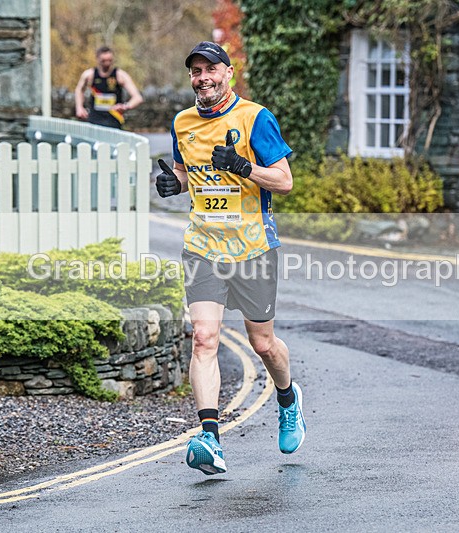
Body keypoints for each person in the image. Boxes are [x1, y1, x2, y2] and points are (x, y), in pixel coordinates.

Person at [155, 41, 305, 475]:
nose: (203, 78)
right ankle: (209, 438)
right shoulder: (182, 122)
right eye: (195, 71)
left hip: (253, 247)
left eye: (210, 69)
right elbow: (186, 172)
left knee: (263, 344)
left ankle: (288, 397)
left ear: (228, 72)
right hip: (203, 246)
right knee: (204, 338)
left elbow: (283, 180)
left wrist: (242, 168)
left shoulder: (255, 117)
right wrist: (175, 184)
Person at [74, 46, 143, 129]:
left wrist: (125, 106)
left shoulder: (120, 75)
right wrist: (79, 107)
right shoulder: (89, 75)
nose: (107, 63)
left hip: (114, 122)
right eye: (103, 61)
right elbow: (79, 90)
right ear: (98, 59)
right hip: (94, 122)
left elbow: (138, 98)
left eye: (109, 61)